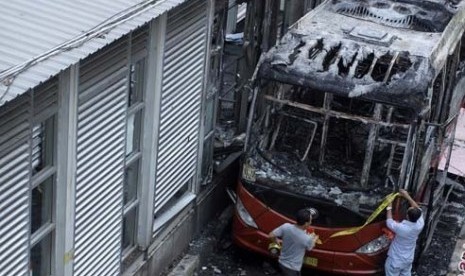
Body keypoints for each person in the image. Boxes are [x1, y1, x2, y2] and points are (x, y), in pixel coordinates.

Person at [385, 189, 425, 276]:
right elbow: (417, 208)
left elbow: (389, 221)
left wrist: (389, 204)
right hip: (408, 260)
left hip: (395, 260)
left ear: (407, 216)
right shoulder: (420, 224)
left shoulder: (402, 228)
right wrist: (407, 195)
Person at [268, 209, 317, 276]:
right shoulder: (307, 238)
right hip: (292, 269)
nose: (311, 222)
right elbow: (309, 248)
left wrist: (276, 241)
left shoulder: (286, 226)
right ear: (306, 223)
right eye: (310, 220)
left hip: (281, 262)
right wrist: (314, 239)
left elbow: (271, 235)